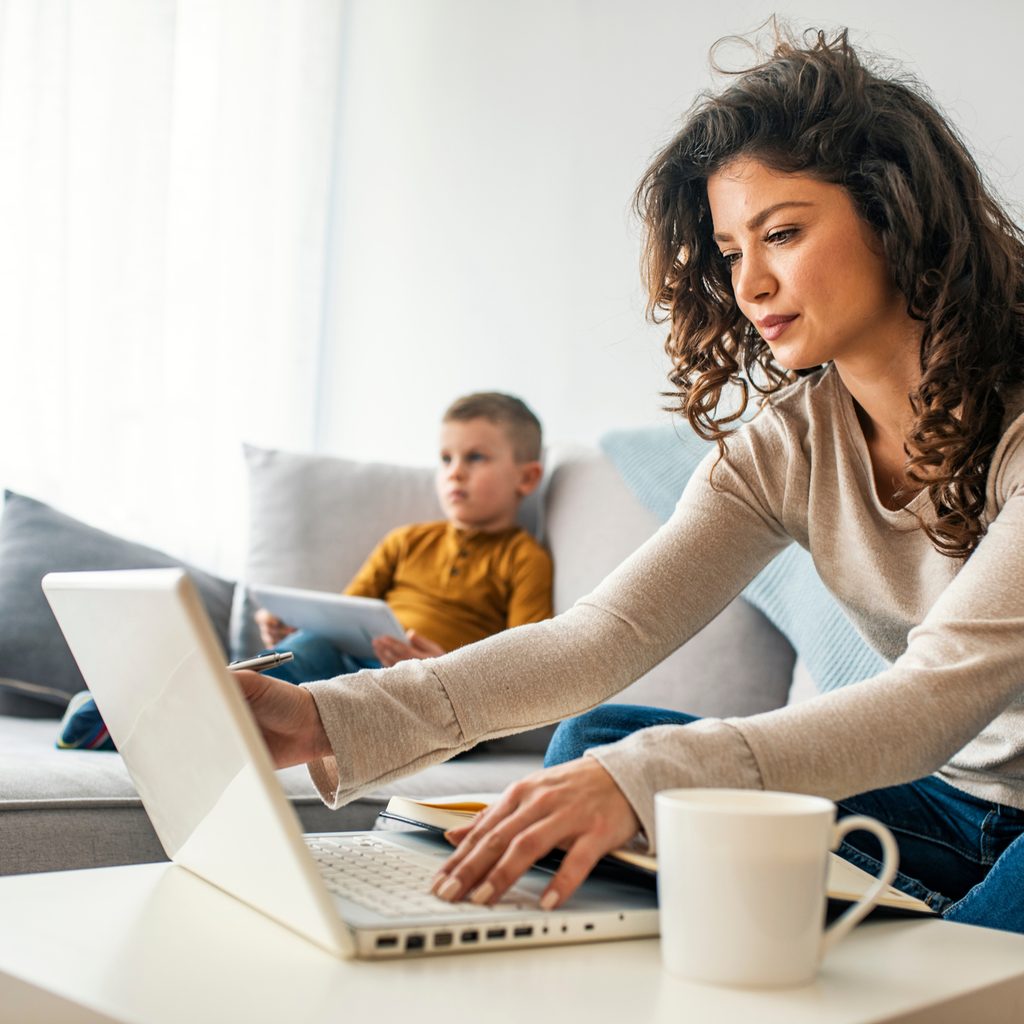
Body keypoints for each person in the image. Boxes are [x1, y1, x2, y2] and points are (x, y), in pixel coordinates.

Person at [234, 28, 1024, 934]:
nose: (751, 284)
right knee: (597, 747)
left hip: (970, 780)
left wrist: (647, 783)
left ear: (896, 214)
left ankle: (925, 928)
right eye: (731, 252)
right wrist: (324, 717)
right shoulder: (786, 448)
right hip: (946, 806)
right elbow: (600, 637)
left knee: (650, 786)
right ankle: (898, 918)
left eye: (784, 233)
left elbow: (932, 700)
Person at [254, 391, 553, 683]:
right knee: (308, 645)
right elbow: (344, 614)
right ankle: (247, 690)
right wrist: (293, 627)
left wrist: (445, 671)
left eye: (475, 457)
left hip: (427, 684)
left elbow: (524, 664)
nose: (455, 472)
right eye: (446, 459)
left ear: (526, 478)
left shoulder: (525, 559)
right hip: (348, 658)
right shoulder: (407, 540)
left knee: (396, 691)